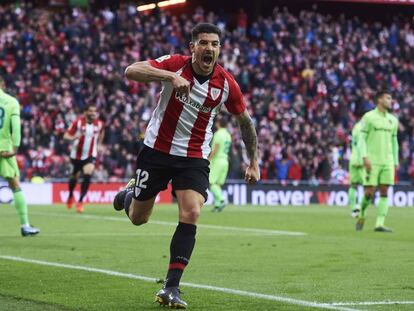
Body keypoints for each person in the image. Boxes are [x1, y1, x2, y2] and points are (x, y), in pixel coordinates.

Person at [113, 23, 260, 309]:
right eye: (203, 43)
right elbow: (131, 70)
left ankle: (171, 287)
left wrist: (253, 161)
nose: (209, 48)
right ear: (192, 47)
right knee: (138, 218)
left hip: (193, 158)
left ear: (219, 49)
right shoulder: (175, 65)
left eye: (214, 44)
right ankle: (128, 196)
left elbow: (246, 123)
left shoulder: (226, 83)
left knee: (191, 211)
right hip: (156, 151)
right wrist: (168, 76)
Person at [0, 76, 40, 237]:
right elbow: (15, 128)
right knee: (15, 185)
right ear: (2, 83)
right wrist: (15, 148)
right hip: (4, 148)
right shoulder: (10, 102)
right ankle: (25, 225)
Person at [356, 90, 399, 232]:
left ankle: (379, 224)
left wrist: (395, 160)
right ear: (379, 100)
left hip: (387, 161)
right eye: (388, 98)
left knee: (385, 191)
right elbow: (361, 139)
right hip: (372, 160)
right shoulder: (368, 117)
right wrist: (364, 157)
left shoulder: (393, 120)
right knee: (369, 192)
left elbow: (394, 142)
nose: (391, 101)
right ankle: (361, 214)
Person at [64, 104, 104, 213]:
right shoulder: (77, 123)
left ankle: (80, 201)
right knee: (74, 178)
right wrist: (73, 137)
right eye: (91, 111)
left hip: (90, 155)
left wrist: (99, 144)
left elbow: (101, 133)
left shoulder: (99, 124)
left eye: (94, 111)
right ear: (85, 112)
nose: (93, 113)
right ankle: (71, 195)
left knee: (88, 174)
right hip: (76, 155)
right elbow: (66, 136)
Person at [209, 117, 232, 212]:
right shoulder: (228, 135)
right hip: (225, 160)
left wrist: (209, 159)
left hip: (217, 160)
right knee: (218, 184)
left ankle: (222, 199)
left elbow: (216, 148)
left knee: (211, 182)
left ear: (218, 123)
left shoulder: (218, 134)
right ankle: (218, 204)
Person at [347, 110, 366, 218]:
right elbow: (361, 144)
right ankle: (360, 208)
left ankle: (354, 208)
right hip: (361, 159)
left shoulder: (355, 127)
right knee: (367, 185)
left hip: (353, 158)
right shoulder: (362, 129)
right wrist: (361, 159)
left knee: (353, 185)